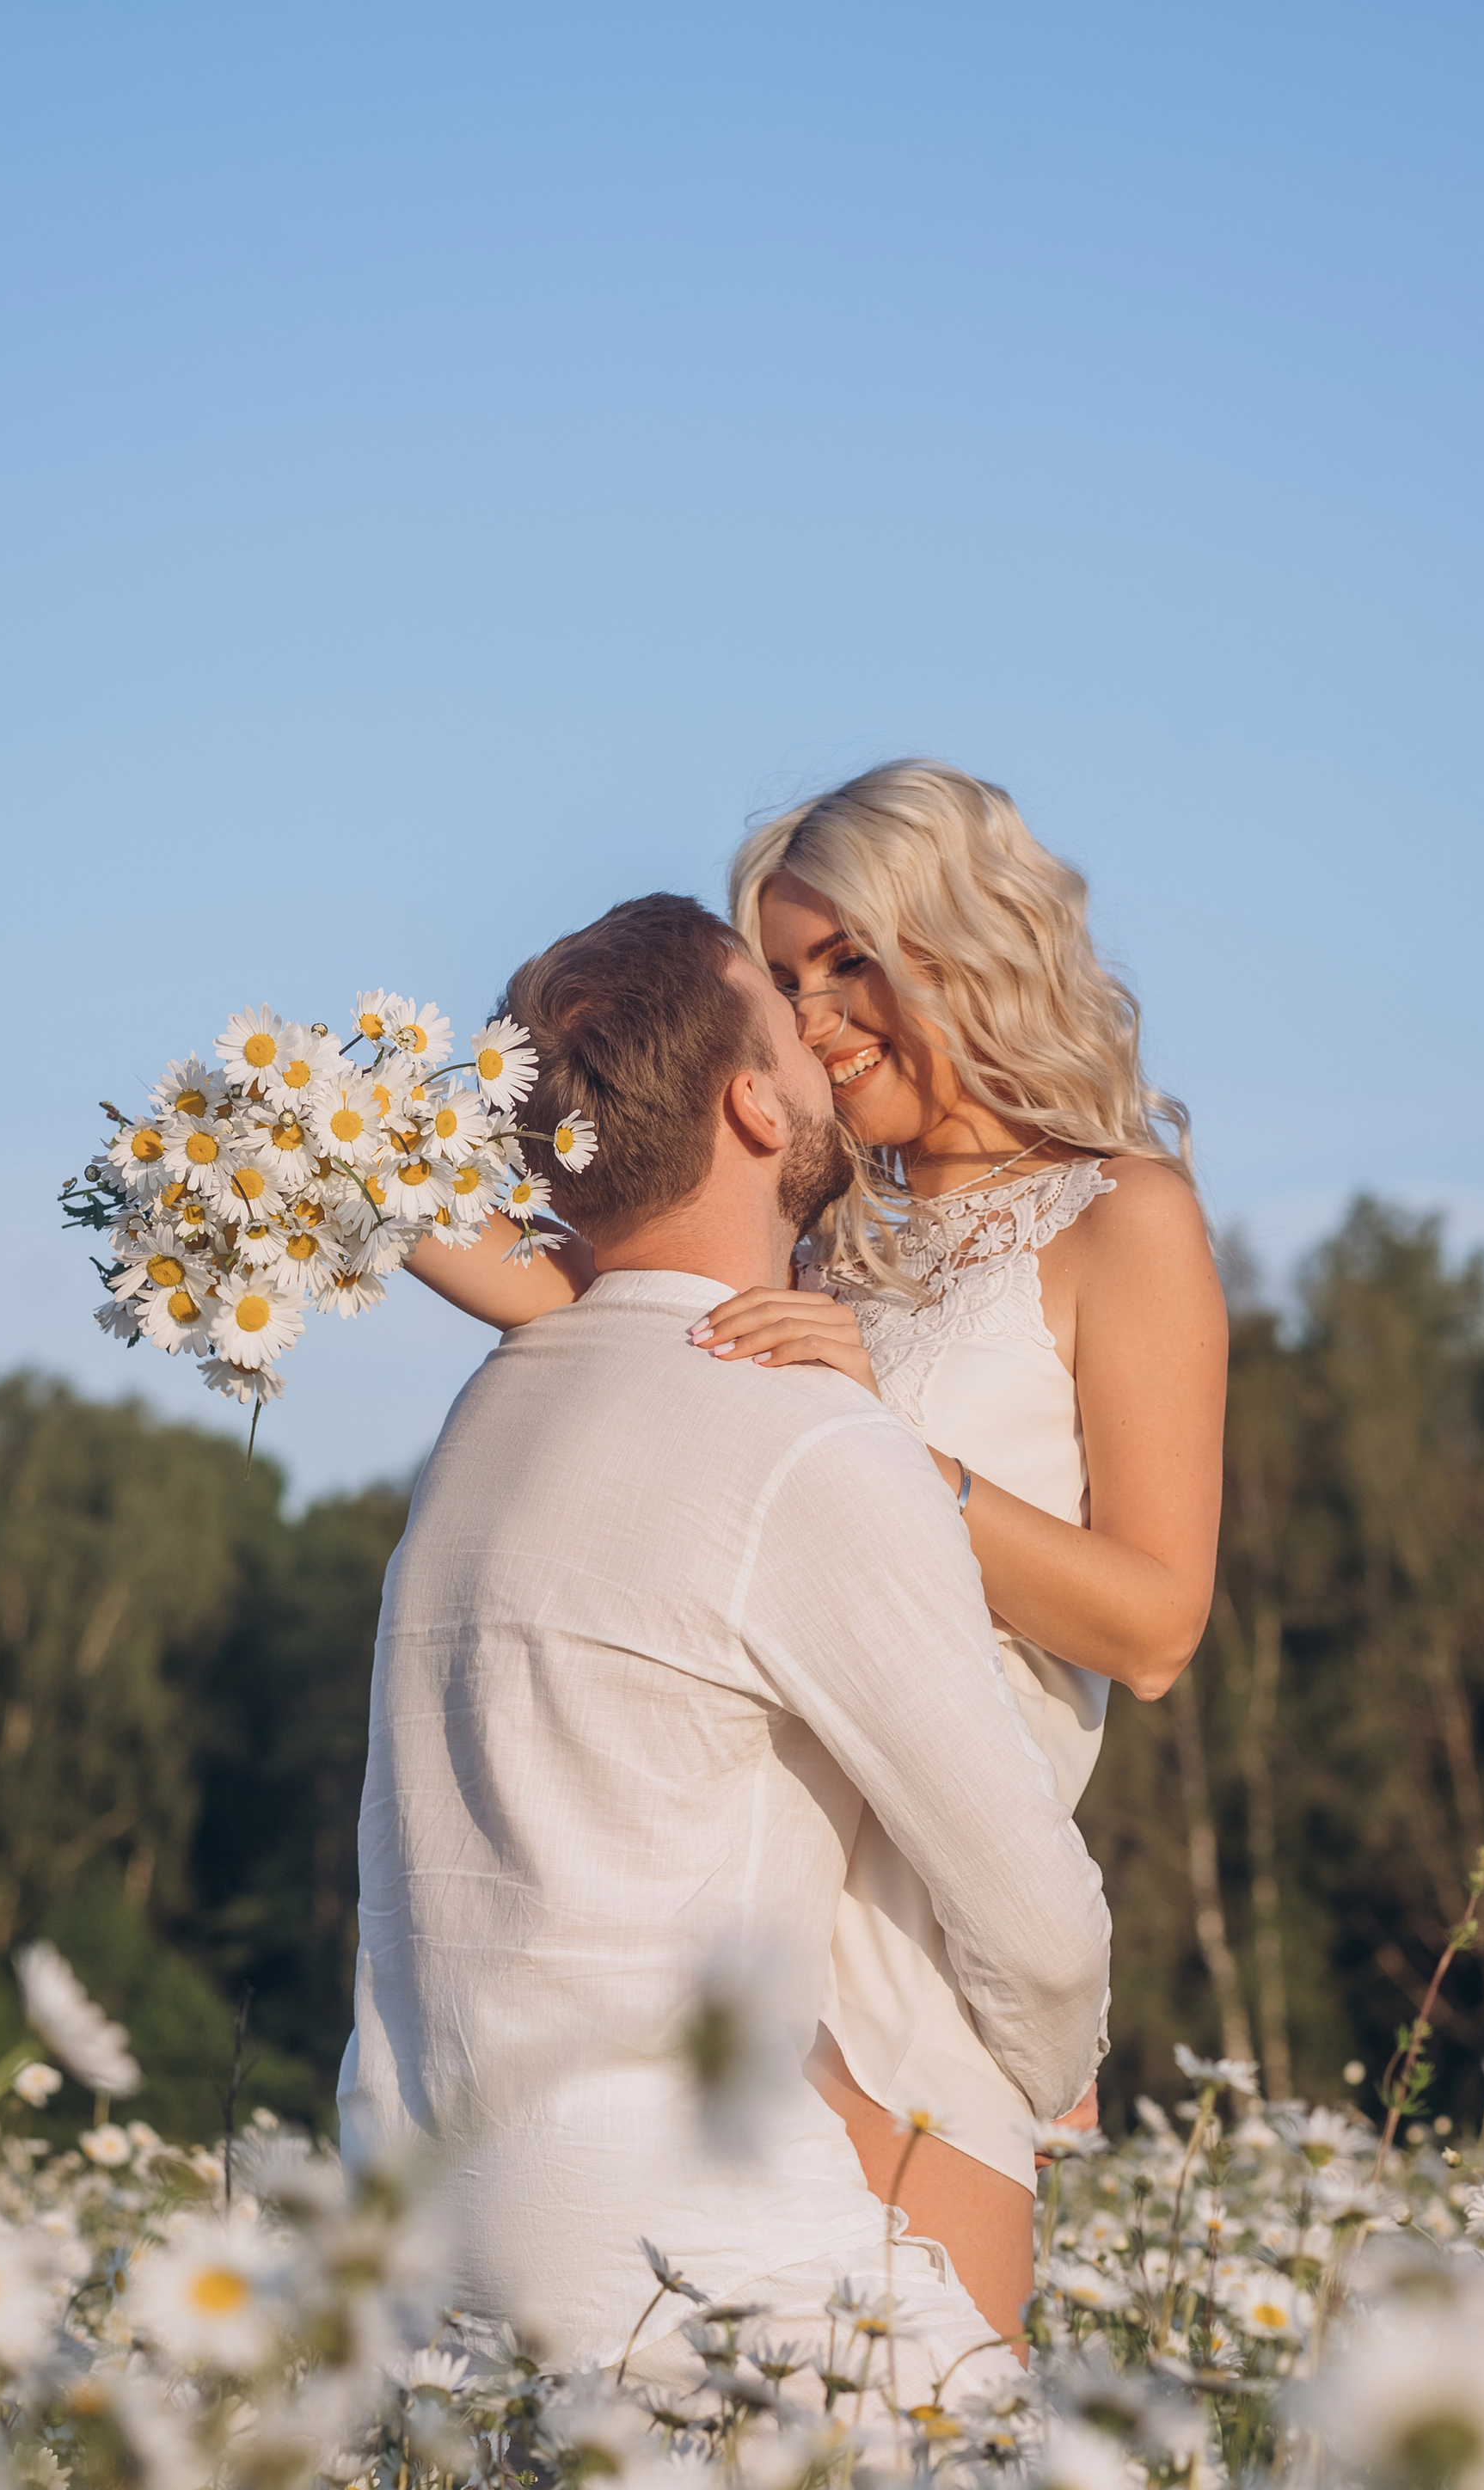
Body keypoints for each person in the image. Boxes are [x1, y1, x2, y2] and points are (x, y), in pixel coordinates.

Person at [404, 765, 1225, 2346]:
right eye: (784, 983)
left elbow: (1154, 1625)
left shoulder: (1125, 1221)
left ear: (972, 944)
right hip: (733, 1868)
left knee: (912, 2463)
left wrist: (890, 1460)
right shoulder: (805, 1215)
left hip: (931, 1906)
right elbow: (593, 1312)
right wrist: (324, 1175)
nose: (822, 1013)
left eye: (851, 960)